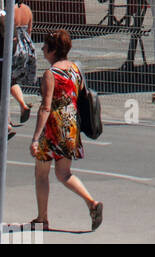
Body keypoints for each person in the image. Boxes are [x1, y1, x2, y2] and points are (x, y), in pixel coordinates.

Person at [29, 28, 102, 230]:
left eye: (45, 46)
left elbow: (46, 106)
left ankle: (42, 218)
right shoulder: (75, 69)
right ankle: (91, 203)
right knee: (64, 173)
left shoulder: (50, 74)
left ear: (52, 51)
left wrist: (36, 137)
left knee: (41, 173)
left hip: (52, 126)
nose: (42, 49)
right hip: (71, 125)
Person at [0, 0, 36, 138]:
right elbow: (29, 29)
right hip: (25, 46)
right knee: (11, 81)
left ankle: (7, 120)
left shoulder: (8, 12)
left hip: (12, 47)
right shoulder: (27, 10)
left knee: (7, 82)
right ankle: (22, 105)